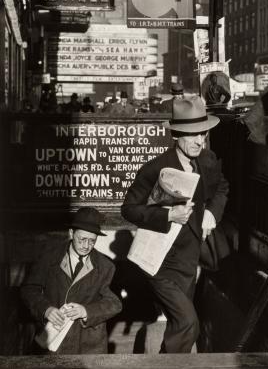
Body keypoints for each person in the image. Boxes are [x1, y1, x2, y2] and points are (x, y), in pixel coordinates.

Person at [121, 96, 228, 353]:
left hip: (188, 262)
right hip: (159, 262)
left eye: (202, 134)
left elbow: (222, 187)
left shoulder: (207, 160)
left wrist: (212, 213)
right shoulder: (155, 169)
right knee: (188, 323)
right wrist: (167, 215)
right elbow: (129, 209)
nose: (198, 141)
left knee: (178, 325)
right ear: (177, 135)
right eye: (192, 135)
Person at [21, 207, 122, 354]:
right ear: (71, 233)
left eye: (92, 241)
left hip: (89, 344)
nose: (86, 246)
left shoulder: (106, 266)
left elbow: (114, 303)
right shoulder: (49, 258)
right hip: (54, 341)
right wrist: (46, 309)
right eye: (82, 239)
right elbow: (29, 290)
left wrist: (86, 311)